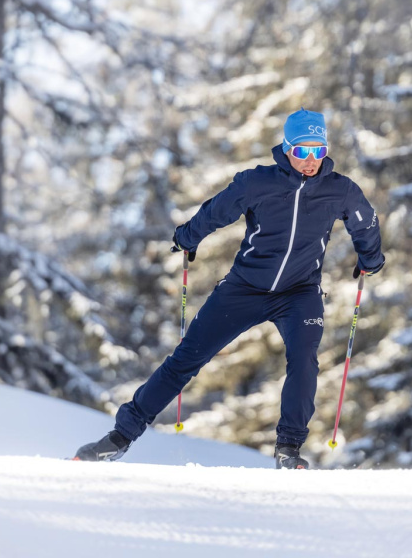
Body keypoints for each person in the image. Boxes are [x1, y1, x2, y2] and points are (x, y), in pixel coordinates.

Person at [74, 108, 384, 469]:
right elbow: (217, 211)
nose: (311, 160)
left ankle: (288, 449)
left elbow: (366, 223)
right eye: (302, 151)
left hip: (300, 293)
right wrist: (187, 237)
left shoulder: (340, 190)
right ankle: (119, 437)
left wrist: (370, 260)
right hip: (244, 288)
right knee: (186, 359)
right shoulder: (257, 182)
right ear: (286, 149)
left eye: (318, 150)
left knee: (304, 361)